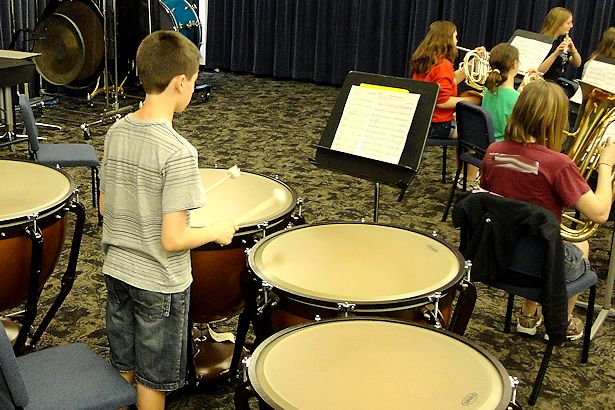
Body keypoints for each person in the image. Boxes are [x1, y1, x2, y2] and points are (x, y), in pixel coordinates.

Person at [99, 30, 237, 409]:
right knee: (152, 384)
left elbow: (104, 208)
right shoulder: (178, 152)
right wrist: (215, 231)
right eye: (193, 82)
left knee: (121, 371)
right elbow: (173, 239)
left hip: (118, 273)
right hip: (159, 284)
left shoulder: (115, 133)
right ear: (180, 83)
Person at [480, 80, 615, 340]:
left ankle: (528, 314)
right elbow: (599, 214)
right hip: (541, 265)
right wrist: (606, 165)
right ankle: (562, 319)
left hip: (501, 256)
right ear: (555, 120)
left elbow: (500, 193)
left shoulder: (493, 152)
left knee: (536, 231)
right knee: (582, 244)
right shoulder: (558, 165)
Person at [410, 20, 484, 183]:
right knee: (476, 134)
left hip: (423, 122)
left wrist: (472, 65)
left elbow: (449, 82)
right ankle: (470, 179)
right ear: (447, 40)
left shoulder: (427, 59)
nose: (457, 41)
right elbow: (442, 102)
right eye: (455, 37)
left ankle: (462, 174)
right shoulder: (443, 64)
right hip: (438, 126)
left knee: (467, 128)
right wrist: (473, 101)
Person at [481, 43, 520, 142]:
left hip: (486, 143)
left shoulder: (488, 89)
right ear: (514, 64)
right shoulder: (517, 98)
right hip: (504, 148)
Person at [538, 7, 582, 82]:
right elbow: (539, 72)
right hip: (545, 85)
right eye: (568, 23)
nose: (571, 26)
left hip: (558, 83)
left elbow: (577, 63)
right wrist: (555, 54)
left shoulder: (559, 43)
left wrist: (573, 50)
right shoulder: (543, 43)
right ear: (558, 24)